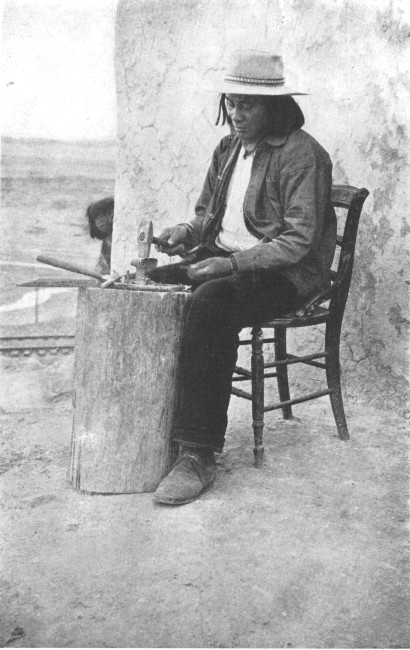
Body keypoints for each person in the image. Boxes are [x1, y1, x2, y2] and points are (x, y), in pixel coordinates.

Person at [151, 50, 337, 505]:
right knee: (154, 283)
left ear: (274, 105)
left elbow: (297, 242)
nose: (237, 113)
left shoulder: (302, 154)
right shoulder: (228, 147)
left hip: (286, 274)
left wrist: (230, 265)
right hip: (229, 260)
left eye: (248, 105)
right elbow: (205, 217)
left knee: (213, 302)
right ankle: (158, 428)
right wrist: (183, 234)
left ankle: (197, 453)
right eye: (232, 102)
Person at [85, 196, 114, 274]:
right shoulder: (107, 241)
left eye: (104, 215)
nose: (99, 221)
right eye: (96, 217)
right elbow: (102, 267)